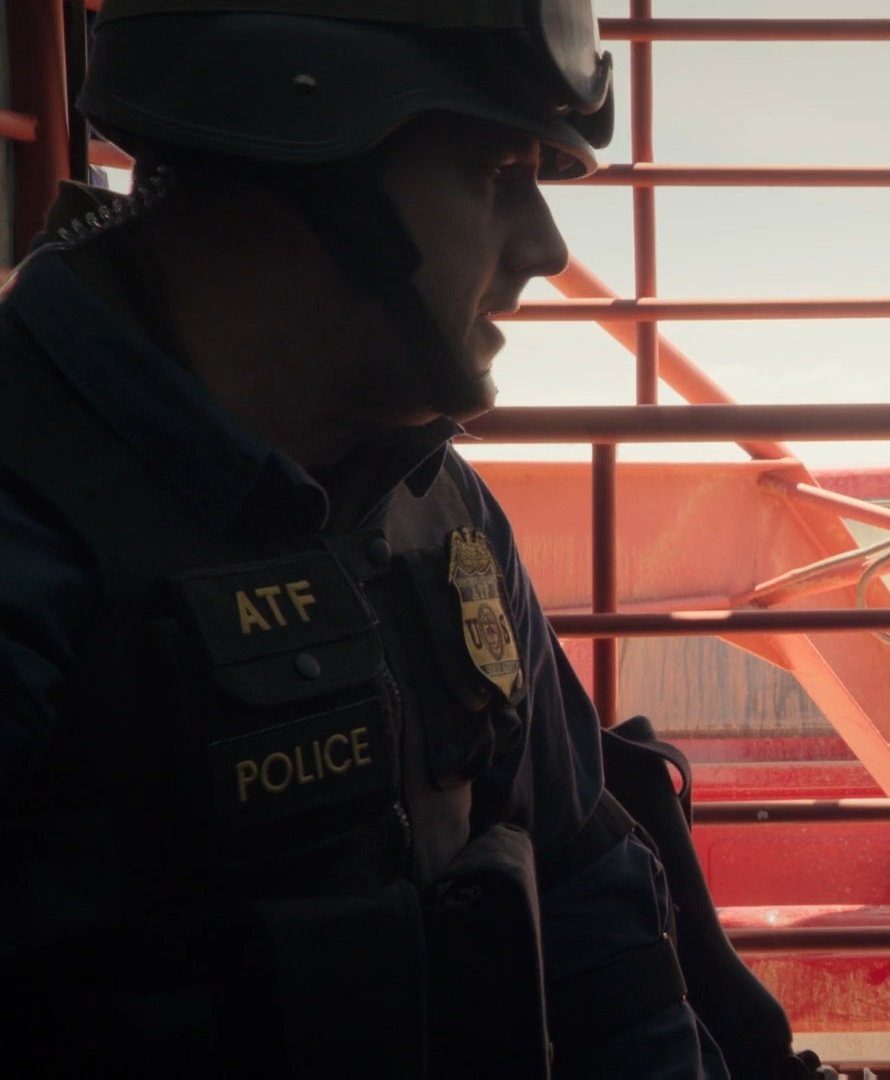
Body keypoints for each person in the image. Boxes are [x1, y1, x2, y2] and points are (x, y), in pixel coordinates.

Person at [0, 3, 796, 1076]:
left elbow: (585, 896)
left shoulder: (435, 503)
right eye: (493, 172)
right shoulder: (28, 525)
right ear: (292, 157)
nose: (547, 248)